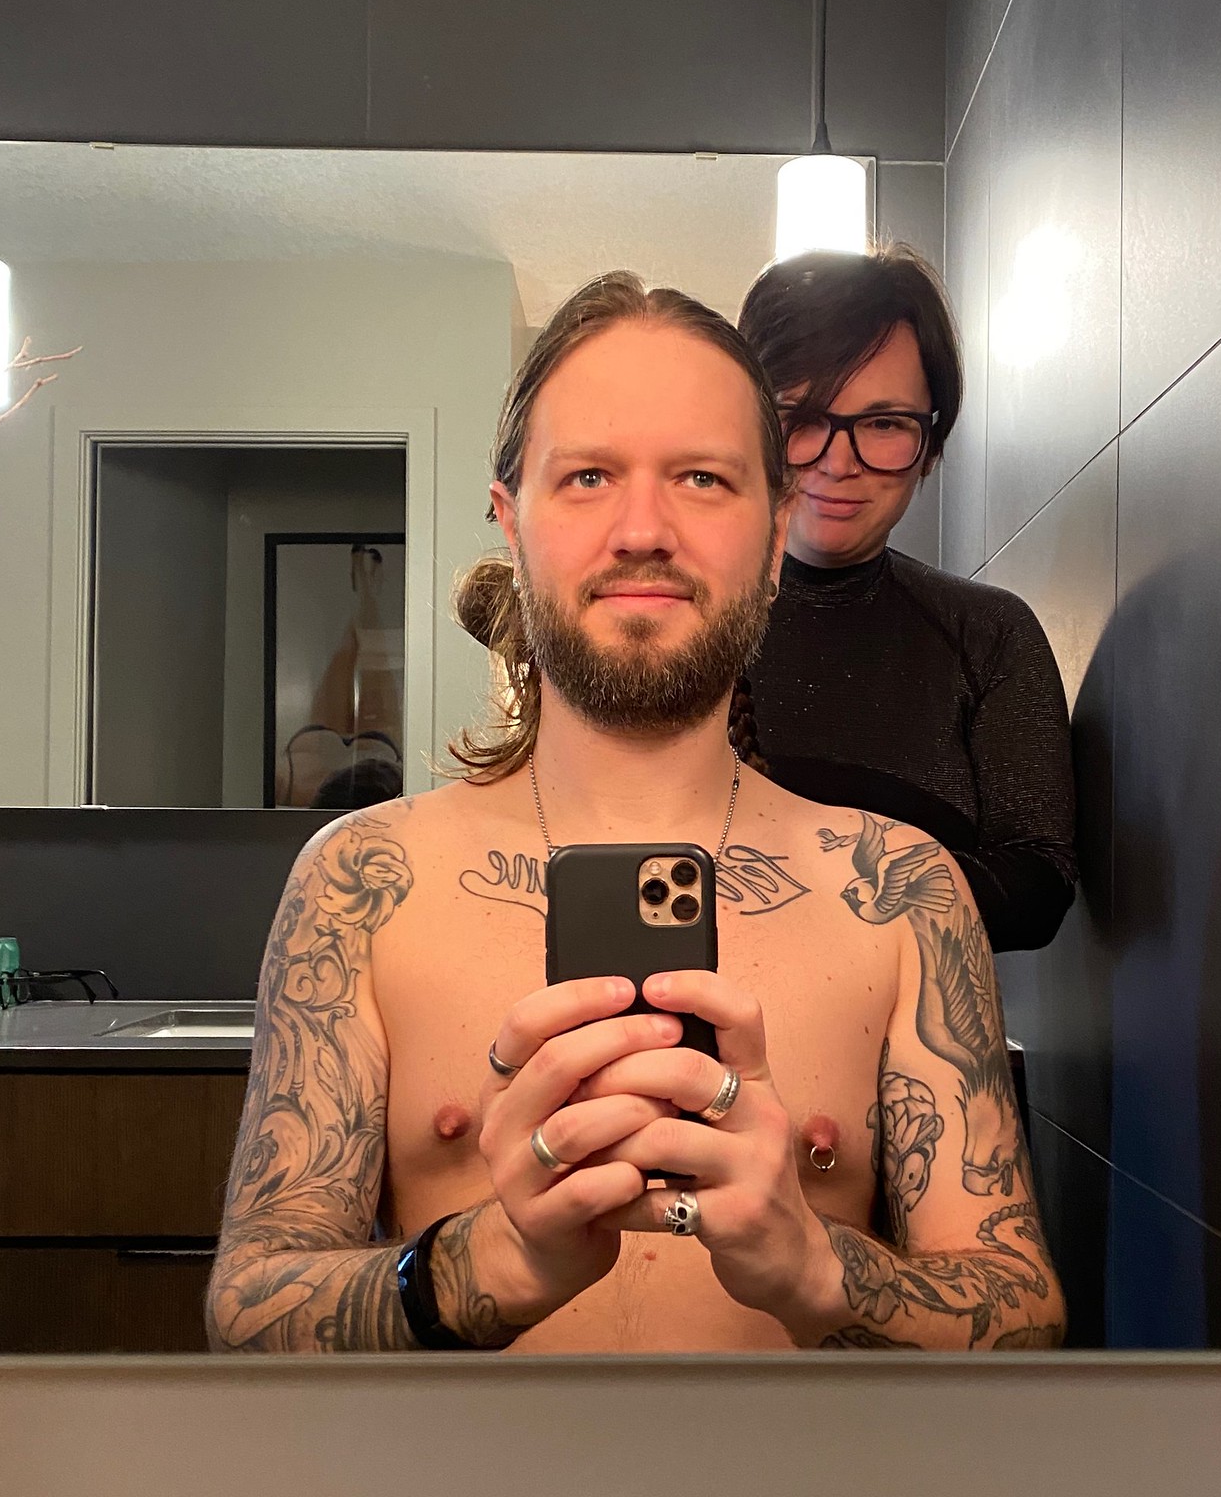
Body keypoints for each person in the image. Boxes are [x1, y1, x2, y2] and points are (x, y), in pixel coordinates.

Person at [206, 272, 1062, 1354]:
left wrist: (817, 1270)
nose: (643, 529)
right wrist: (478, 1267)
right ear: (512, 522)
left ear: (774, 529)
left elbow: (1023, 1316)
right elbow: (247, 1312)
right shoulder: (365, 881)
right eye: (589, 477)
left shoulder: (899, 893)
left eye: (702, 478)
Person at [739, 248, 1076, 954]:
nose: (838, 462)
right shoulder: (673, 621)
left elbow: (1039, 884)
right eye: (801, 417)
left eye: (886, 423)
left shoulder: (988, 635)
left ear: (931, 444)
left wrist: (810, 895)